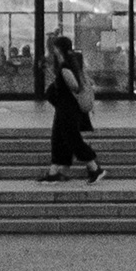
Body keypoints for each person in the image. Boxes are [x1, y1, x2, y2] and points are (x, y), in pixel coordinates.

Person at [39, 32, 102, 184]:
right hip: (63, 110)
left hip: (68, 111)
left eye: (54, 47)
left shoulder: (65, 67)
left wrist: (60, 82)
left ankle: (94, 168)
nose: (53, 50)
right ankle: (55, 172)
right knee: (58, 140)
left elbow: (74, 86)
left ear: (58, 49)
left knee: (73, 139)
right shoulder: (67, 65)